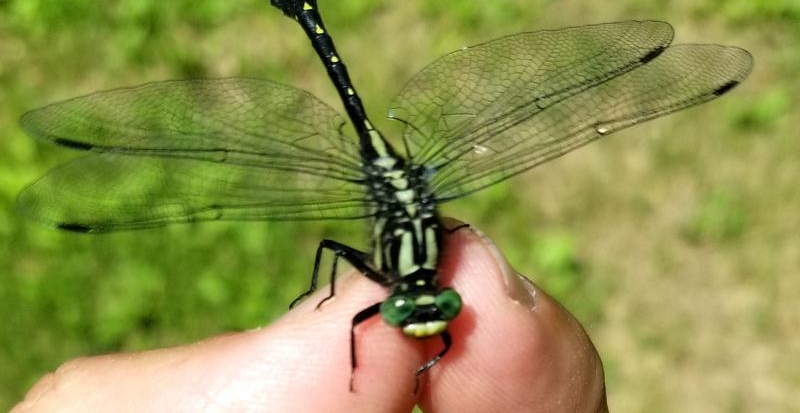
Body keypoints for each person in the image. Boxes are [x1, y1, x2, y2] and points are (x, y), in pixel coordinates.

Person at [13, 223, 608, 412]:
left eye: (434, 313)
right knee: (348, 317)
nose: (427, 320)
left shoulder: (440, 262)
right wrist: (321, 299)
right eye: (414, 312)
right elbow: (339, 275)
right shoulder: (382, 297)